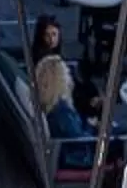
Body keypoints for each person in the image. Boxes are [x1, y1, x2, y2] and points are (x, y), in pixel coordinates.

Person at [30, 16, 96, 163]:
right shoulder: (59, 107)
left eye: (54, 34)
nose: (51, 39)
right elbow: (80, 140)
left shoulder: (46, 62)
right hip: (77, 151)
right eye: (47, 35)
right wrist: (92, 127)